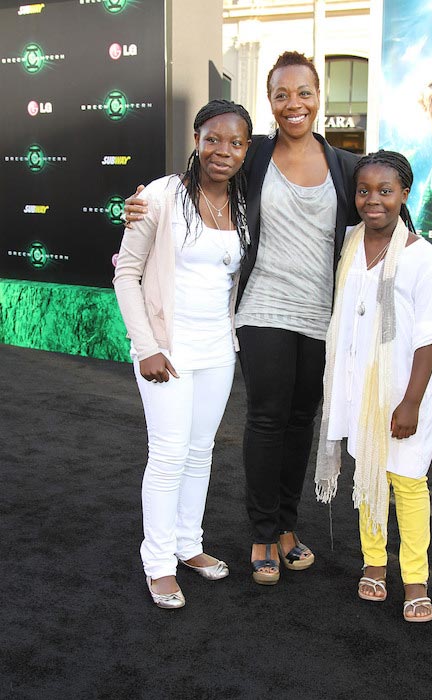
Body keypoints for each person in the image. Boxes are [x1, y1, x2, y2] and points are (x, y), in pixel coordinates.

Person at [124, 51, 360, 586]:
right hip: (260, 313)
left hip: (318, 316)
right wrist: (134, 205)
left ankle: (283, 527)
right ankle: (258, 534)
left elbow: (382, 211)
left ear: (318, 96)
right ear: (270, 102)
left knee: (299, 423)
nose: (293, 103)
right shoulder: (253, 157)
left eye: (303, 92)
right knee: (265, 420)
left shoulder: (343, 166)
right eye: (281, 94)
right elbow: (180, 192)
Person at [113, 99, 252, 608]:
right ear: (196, 138)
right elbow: (126, 273)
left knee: (200, 453)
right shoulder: (160, 195)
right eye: (213, 138)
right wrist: (146, 346)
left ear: (245, 151)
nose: (223, 150)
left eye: (235, 142)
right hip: (165, 350)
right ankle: (158, 562)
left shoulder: (242, 201)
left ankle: (189, 545)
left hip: (218, 349)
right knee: (168, 455)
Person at [315, 150, 432, 621]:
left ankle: (416, 579)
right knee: (368, 474)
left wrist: (411, 400)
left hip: (404, 391)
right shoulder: (349, 243)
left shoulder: (421, 256)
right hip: (357, 387)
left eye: (385, 191)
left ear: (404, 195)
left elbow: (429, 335)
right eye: (364, 190)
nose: (373, 200)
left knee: (408, 483)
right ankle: (375, 564)